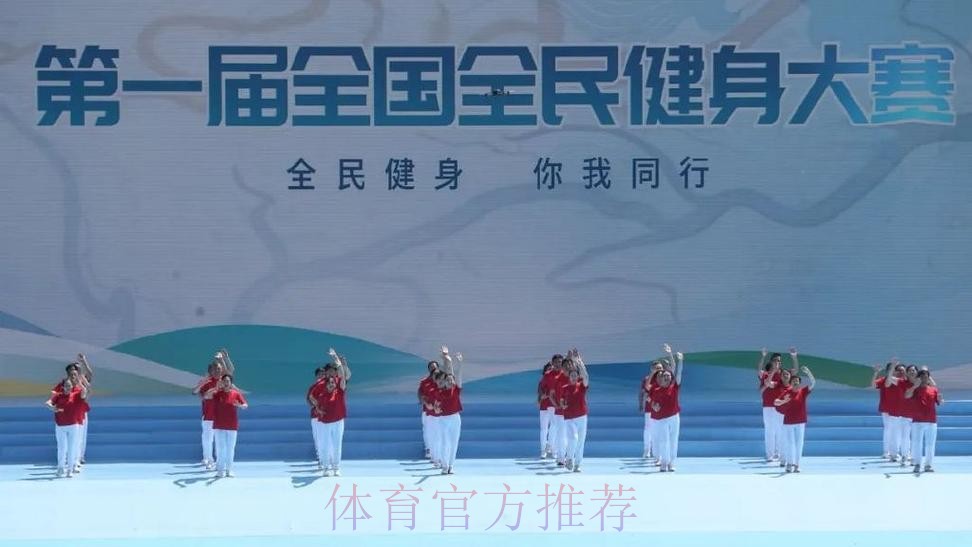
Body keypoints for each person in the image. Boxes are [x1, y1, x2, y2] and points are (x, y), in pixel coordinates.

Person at [192, 350, 234, 470]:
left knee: (219, 441)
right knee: (207, 439)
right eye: (215, 369)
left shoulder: (224, 382)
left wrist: (225, 359)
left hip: (220, 416)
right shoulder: (207, 383)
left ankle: (219, 461)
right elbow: (195, 392)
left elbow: (231, 370)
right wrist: (203, 383)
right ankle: (208, 459)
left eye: (219, 369)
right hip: (208, 416)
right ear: (211, 371)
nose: (217, 371)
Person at [45, 364, 89, 478]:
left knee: (73, 446)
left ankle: (71, 468)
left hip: (74, 423)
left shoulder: (76, 394)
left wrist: (80, 382)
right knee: (62, 447)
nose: (68, 387)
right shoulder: (58, 395)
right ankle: (61, 468)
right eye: (66, 386)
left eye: (69, 386)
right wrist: (52, 408)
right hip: (60, 425)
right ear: (63, 387)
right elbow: (48, 402)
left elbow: (85, 391)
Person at [648, 344, 684, 472]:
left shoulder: (674, 387)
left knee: (673, 440)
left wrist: (679, 360)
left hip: (674, 417)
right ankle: (664, 463)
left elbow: (678, 372)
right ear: (662, 378)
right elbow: (651, 401)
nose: (668, 377)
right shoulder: (656, 390)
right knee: (664, 440)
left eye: (669, 376)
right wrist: (654, 406)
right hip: (662, 418)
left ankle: (671, 463)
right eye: (665, 376)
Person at [205, 373, 247, 478]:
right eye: (224, 381)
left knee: (230, 449)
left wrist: (240, 405)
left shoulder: (236, 394)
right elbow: (206, 395)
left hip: (232, 425)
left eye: (228, 381)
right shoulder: (217, 394)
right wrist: (216, 387)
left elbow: (245, 405)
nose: (226, 383)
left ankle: (229, 470)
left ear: (231, 383)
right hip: (219, 425)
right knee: (220, 448)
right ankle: (220, 470)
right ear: (222, 382)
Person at [316, 349, 351, 477]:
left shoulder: (340, 390)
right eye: (329, 383)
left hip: (338, 421)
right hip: (325, 422)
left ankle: (336, 467)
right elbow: (315, 402)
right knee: (325, 445)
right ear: (326, 384)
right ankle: (326, 468)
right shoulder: (322, 393)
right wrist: (318, 410)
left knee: (337, 445)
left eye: (333, 382)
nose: (332, 384)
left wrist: (336, 358)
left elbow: (342, 374)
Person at [775, 366, 815, 473]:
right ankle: (789, 463)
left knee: (799, 443)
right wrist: (783, 401)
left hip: (800, 421)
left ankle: (797, 464)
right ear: (791, 383)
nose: (795, 382)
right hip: (789, 422)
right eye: (793, 381)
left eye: (797, 381)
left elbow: (813, 383)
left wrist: (808, 372)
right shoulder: (787, 392)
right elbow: (776, 402)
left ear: (799, 383)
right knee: (790, 443)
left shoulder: (803, 391)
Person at [906, 369, 943, 474]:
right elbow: (906, 395)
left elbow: (939, 402)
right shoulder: (914, 389)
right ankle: (917, 464)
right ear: (919, 378)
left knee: (930, 444)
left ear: (928, 378)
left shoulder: (933, 390)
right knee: (917, 444)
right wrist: (914, 386)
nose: (924, 378)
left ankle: (928, 465)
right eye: (922, 377)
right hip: (917, 421)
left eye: (926, 376)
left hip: (931, 421)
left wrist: (940, 400)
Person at [435, 346, 464, 475]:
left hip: (455, 418)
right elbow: (447, 372)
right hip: (443, 419)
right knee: (444, 442)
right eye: (448, 380)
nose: (451, 381)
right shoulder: (440, 391)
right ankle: (444, 466)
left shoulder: (456, 389)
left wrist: (460, 363)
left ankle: (451, 466)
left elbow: (458, 375)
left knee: (454, 442)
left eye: (452, 379)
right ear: (445, 382)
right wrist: (446, 358)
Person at [562, 349, 589, 472]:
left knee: (581, 441)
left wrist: (579, 361)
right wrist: (562, 404)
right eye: (571, 375)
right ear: (569, 377)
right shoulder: (565, 388)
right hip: (569, 417)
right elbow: (562, 401)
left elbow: (586, 376)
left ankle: (577, 464)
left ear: (578, 377)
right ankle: (569, 459)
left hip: (582, 416)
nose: (573, 377)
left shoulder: (582, 386)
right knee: (573, 438)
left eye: (575, 375)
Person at [639, 361, 664, 461]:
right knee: (648, 429)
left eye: (661, 367)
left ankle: (657, 451)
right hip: (650, 408)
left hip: (662, 408)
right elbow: (643, 392)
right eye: (657, 368)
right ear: (652, 369)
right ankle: (647, 450)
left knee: (659, 430)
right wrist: (641, 404)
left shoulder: (664, 378)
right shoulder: (647, 379)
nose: (659, 369)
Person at [872, 361, 896, 458]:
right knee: (888, 429)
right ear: (887, 370)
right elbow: (874, 385)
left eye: (894, 369)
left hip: (899, 408)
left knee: (896, 431)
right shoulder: (883, 380)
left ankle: (896, 451)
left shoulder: (899, 381)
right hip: (886, 408)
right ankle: (886, 452)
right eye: (890, 369)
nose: (892, 370)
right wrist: (875, 373)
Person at [418, 360, 439, 460]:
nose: (433, 369)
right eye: (431, 367)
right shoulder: (424, 382)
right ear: (428, 369)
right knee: (427, 431)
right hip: (427, 411)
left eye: (435, 367)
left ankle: (437, 451)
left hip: (439, 411)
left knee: (438, 431)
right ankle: (428, 449)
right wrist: (426, 404)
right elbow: (420, 394)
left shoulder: (442, 381)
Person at [306, 367, 326, 469]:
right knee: (317, 437)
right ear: (316, 376)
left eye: (323, 374)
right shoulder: (313, 387)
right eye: (320, 374)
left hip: (327, 416)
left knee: (325, 437)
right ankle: (320, 457)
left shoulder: (328, 386)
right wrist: (316, 407)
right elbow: (308, 399)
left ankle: (326, 457)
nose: (322, 376)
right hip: (315, 416)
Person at [538, 362, 557, 459]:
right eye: (548, 369)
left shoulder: (556, 379)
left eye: (551, 369)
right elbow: (540, 394)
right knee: (544, 429)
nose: (549, 371)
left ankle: (552, 448)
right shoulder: (542, 381)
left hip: (553, 405)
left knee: (554, 425)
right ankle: (543, 451)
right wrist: (544, 396)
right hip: (544, 406)